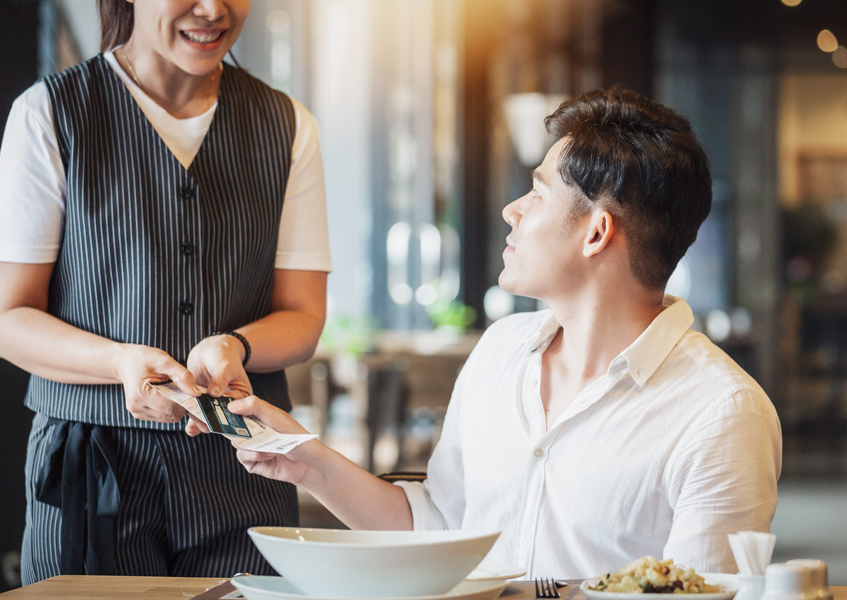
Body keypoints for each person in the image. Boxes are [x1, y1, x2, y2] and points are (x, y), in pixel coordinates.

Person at [209, 87, 781, 577]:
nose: (513, 210)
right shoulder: (502, 349)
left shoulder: (722, 414)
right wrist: (304, 458)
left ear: (597, 232)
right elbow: (436, 527)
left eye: (538, 193)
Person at [0, 0, 331, 583]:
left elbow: (302, 314)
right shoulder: (50, 113)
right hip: (90, 469)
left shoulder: (288, 124)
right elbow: (6, 315)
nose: (214, 9)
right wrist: (120, 362)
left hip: (249, 463)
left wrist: (236, 346)